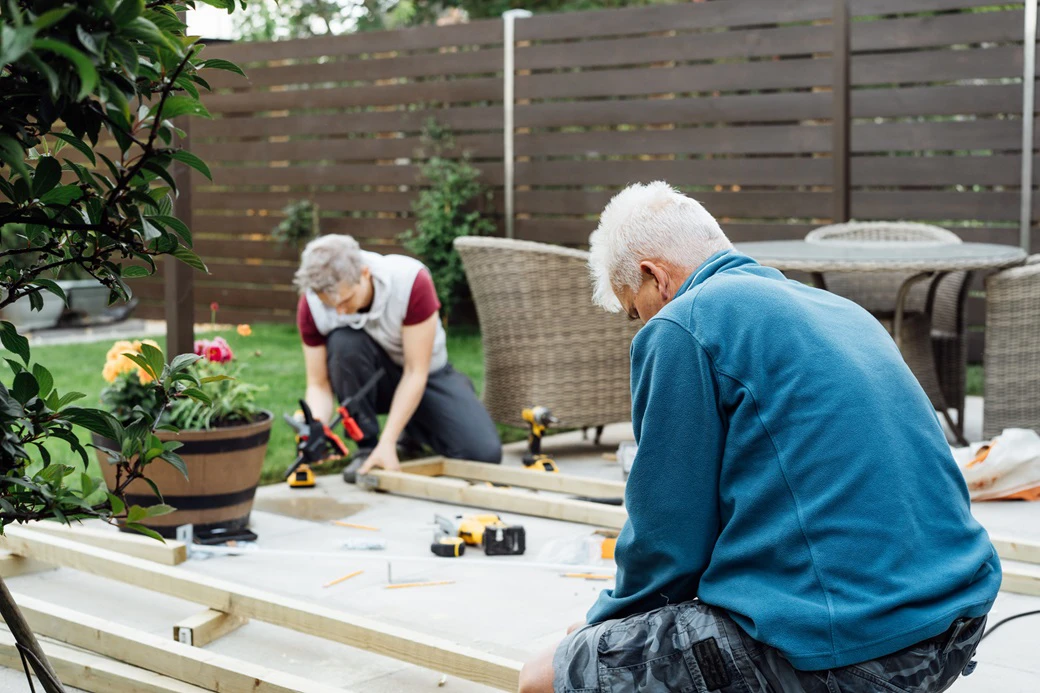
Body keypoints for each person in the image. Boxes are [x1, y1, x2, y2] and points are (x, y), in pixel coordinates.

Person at [519, 182, 1000, 693]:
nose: (640, 327)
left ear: (653, 277)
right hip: (953, 622)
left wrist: (603, 630)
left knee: (545, 673)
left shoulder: (684, 323)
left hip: (852, 648)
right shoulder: (842, 312)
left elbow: (667, 548)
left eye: (634, 311)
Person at [293, 235, 501, 481]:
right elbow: (318, 384)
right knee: (344, 342)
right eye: (330, 305)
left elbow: (416, 371)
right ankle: (367, 447)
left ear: (365, 273)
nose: (339, 311)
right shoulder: (312, 305)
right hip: (373, 380)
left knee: (482, 453)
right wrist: (315, 425)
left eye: (346, 300)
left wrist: (389, 441)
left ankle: (413, 426)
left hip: (426, 375)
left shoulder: (410, 282)